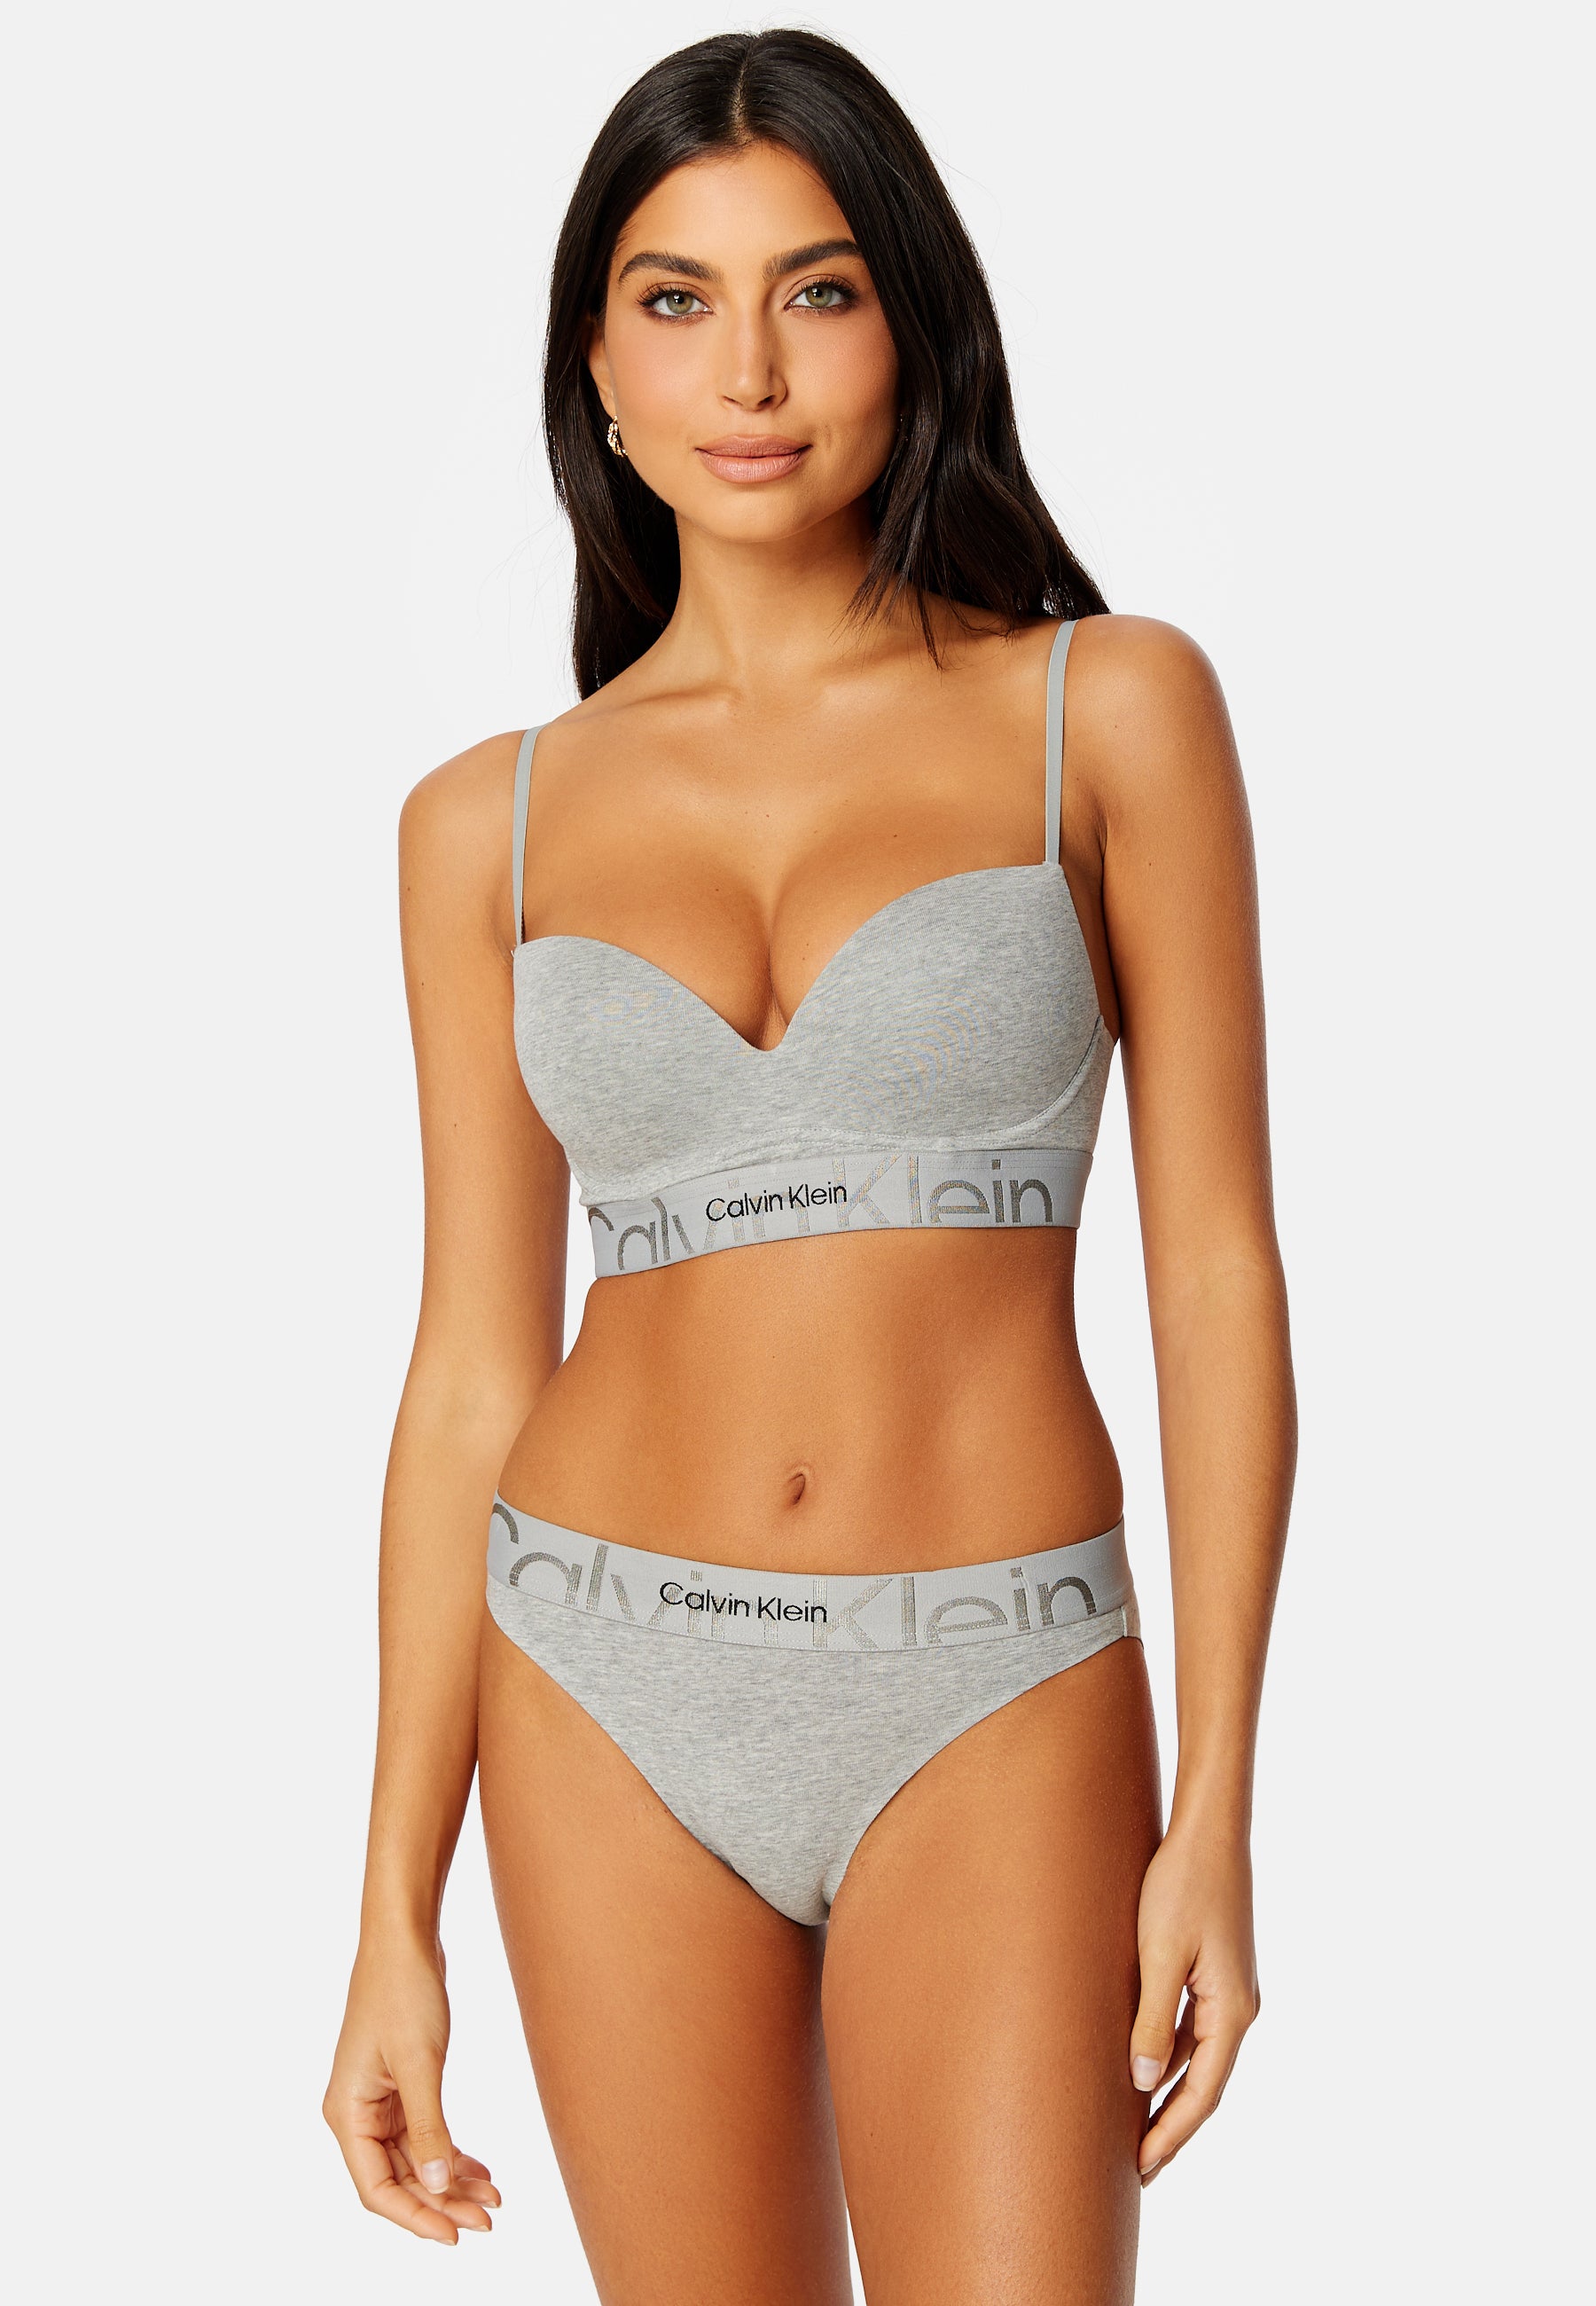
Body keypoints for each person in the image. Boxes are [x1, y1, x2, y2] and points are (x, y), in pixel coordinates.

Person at [324, 27, 1295, 2302]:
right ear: (596, 365)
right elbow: (472, 1368)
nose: (747, 373)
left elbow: (1218, 1272)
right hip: (598, 1673)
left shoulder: (1105, 707)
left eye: (818, 292)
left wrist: (1220, 1809)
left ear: (912, 323)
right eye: (676, 301)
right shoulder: (485, 824)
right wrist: (390, 1905)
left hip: (999, 1682)